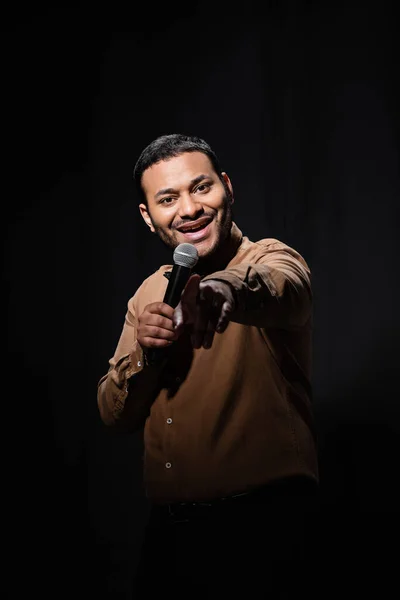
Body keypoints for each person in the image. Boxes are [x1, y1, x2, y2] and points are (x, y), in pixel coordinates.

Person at [97, 134, 320, 599]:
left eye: (201, 188)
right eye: (167, 198)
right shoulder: (147, 294)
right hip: (171, 538)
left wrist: (223, 290)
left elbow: (281, 286)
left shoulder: (272, 258)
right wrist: (147, 354)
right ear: (148, 216)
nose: (189, 209)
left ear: (227, 188)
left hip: (264, 530)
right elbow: (112, 413)